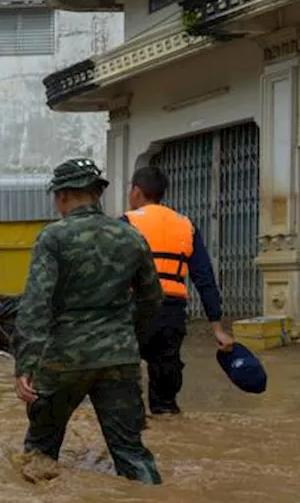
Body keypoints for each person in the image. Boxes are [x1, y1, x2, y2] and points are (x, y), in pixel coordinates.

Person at [14, 158, 164, 485]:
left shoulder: (53, 237)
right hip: (119, 357)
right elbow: (152, 299)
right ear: (97, 194)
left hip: (63, 359)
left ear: (64, 196)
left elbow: (35, 305)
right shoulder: (131, 237)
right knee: (131, 452)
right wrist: (126, 337)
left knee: (40, 451)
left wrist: (25, 365)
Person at [123, 166, 236, 415]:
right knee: (166, 397)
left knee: (123, 387)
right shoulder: (186, 225)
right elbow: (204, 278)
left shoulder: (126, 223)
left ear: (137, 192)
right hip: (171, 314)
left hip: (132, 311)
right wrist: (217, 327)